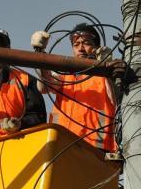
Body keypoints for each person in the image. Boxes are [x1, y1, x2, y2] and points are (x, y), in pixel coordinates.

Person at [31, 23, 123, 152]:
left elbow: (116, 97)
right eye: (76, 44)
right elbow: (43, 87)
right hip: (62, 145)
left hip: (97, 148)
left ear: (96, 47)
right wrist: (40, 53)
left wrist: (106, 68)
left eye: (86, 43)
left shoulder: (104, 76)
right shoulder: (66, 76)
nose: (80, 48)